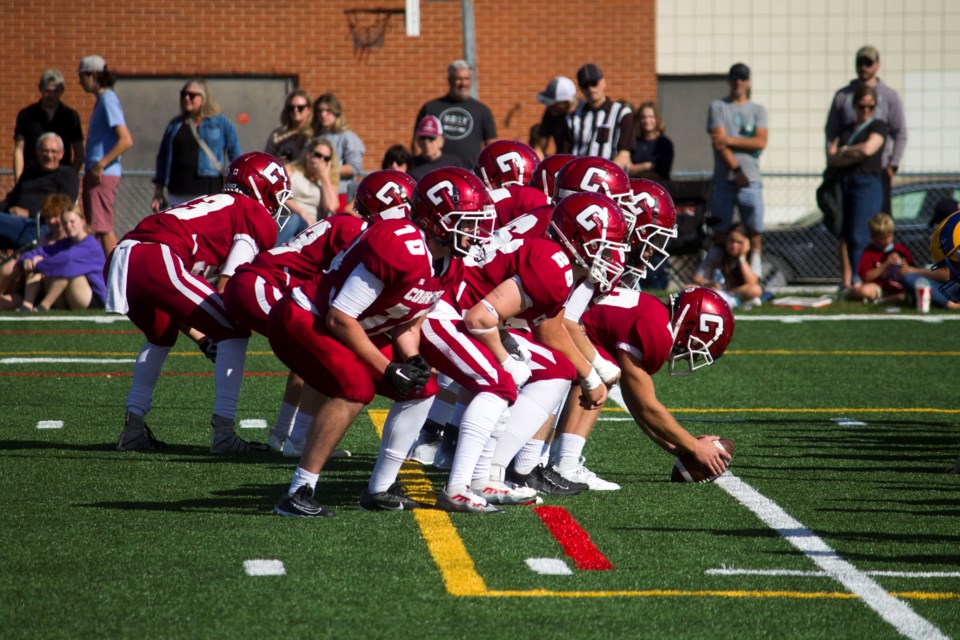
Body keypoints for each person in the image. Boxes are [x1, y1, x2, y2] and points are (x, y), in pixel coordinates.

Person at [268, 175, 451, 518]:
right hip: (304, 316)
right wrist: (387, 368)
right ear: (435, 220)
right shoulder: (400, 245)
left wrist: (412, 358)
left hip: (345, 326)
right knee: (355, 386)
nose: (477, 231)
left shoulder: (448, 263)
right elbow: (340, 317)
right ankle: (298, 491)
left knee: (423, 386)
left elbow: (406, 319)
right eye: (466, 222)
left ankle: (380, 488)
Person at [106, 152, 288, 453]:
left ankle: (133, 428)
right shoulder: (251, 213)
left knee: (161, 335)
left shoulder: (218, 203)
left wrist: (203, 337)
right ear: (261, 188)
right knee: (234, 327)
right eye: (275, 194)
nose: (277, 204)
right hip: (157, 256)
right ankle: (225, 435)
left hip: (123, 257)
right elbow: (229, 284)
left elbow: (178, 299)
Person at [547, 286, 735, 489]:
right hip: (557, 331)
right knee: (602, 374)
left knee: (603, 372)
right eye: (697, 348)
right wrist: (695, 446)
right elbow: (647, 407)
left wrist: (680, 448)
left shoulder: (655, 312)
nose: (693, 356)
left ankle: (564, 462)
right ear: (688, 326)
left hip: (563, 326)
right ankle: (565, 464)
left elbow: (636, 405)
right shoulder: (657, 331)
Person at [826, 45, 907, 214]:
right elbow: (831, 131)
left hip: (877, 170)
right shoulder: (843, 96)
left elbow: (900, 132)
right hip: (847, 170)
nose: (864, 67)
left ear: (877, 65)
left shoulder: (889, 96)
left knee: (878, 223)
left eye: (868, 63)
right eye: (860, 62)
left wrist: (893, 165)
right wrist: (833, 157)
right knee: (845, 225)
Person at [707, 63, 768, 278]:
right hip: (726, 179)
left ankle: (755, 273)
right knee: (721, 230)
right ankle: (715, 275)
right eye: (734, 77)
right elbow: (718, 143)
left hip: (751, 179)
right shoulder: (718, 107)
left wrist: (730, 140)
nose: (738, 82)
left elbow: (760, 141)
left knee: (755, 229)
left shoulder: (758, 110)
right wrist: (737, 169)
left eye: (742, 78)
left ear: (749, 81)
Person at [827, 84, 888, 290]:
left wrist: (846, 151)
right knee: (846, 233)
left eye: (870, 107)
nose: (865, 110)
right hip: (846, 183)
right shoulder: (846, 131)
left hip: (867, 183)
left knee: (860, 234)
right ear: (855, 106)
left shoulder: (878, 125)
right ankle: (849, 280)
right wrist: (852, 154)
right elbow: (833, 159)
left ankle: (860, 278)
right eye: (862, 106)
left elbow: (869, 149)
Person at [152, 79, 242, 212]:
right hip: (178, 192)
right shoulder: (175, 124)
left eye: (192, 95)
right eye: (184, 95)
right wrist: (158, 191)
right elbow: (163, 158)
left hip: (209, 191)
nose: (187, 98)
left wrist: (237, 187)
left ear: (204, 98)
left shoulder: (221, 122)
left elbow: (236, 156)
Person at [78, 55, 133, 257]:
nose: (79, 82)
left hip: (102, 174)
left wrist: (101, 164)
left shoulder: (108, 99)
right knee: (97, 229)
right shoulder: (103, 100)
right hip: (99, 173)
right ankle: (105, 275)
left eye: (82, 76)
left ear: (93, 75)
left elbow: (125, 139)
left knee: (103, 229)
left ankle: (117, 274)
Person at [18, 205, 106, 312]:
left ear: (83, 221)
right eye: (64, 223)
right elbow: (34, 253)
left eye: (72, 222)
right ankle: (27, 306)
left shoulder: (91, 245)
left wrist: (37, 264)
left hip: (94, 300)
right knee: (38, 265)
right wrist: (28, 260)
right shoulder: (66, 243)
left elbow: (66, 260)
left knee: (66, 270)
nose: (68, 226)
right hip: (70, 296)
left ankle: (44, 306)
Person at [0, 133, 79, 251]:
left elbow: (64, 206)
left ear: (61, 154)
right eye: (45, 151)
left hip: (40, 225)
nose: (49, 155)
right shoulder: (30, 172)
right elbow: (12, 198)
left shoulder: (67, 174)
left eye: (54, 151)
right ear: (37, 152)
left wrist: (29, 213)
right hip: (14, 222)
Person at [412, 60, 497, 168]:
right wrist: (419, 168)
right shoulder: (431, 107)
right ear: (450, 80)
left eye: (466, 79)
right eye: (458, 79)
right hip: (436, 174)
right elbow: (416, 143)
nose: (463, 83)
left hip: (470, 175)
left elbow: (491, 147)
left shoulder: (482, 110)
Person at [0, 193, 72, 310]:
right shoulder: (44, 237)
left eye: (55, 216)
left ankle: (29, 305)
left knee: (36, 269)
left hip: (54, 284)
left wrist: (41, 262)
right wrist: (27, 259)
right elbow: (31, 255)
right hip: (32, 284)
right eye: (48, 217)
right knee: (10, 266)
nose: (52, 221)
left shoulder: (70, 238)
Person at [13, 69, 84, 181]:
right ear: (40, 88)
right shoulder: (26, 115)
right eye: (47, 91)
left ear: (62, 91)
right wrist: (18, 180)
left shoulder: (70, 117)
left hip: (60, 177)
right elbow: (19, 149)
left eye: (55, 91)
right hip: (32, 177)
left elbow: (79, 152)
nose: (51, 95)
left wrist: (71, 177)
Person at [559, 64, 635, 167]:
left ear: (603, 82)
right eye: (585, 85)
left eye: (594, 83)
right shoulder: (572, 118)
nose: (590, 89)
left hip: (611, 178)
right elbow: (564, 155)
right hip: (577, 178)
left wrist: (603, 175)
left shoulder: (622, 114)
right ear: (580, 88)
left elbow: (624, 154)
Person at [276, 137, 340, 245]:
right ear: (308, 154)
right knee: (294, 221)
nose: (321, 160)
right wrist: (302, 212)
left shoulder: (328, 181)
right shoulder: (291, 170)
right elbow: (279, 192)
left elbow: (331, 207)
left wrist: (324, 176)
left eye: (326, 158)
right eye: (318, 155)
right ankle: (268, 253)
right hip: (287, 219)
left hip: (310, 227)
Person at [311, 94, 365, 212]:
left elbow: (355, 168)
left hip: (340, 195)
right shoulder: (314, 138)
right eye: (320, 111)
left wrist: (325, 170)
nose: (323, 114)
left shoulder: (348, 137)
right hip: (314, 195)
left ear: (336, 112)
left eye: (328, 110)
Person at [691, 224, 764, 308]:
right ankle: (723, 298)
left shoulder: (753, 255)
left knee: (755, 290)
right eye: (731, 241)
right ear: (726, 240)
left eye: (739, 242)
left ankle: (726, 297)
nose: (734, 246)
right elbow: (696, 277)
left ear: (747, 243)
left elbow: (752, 283)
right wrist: (707, 283)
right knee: (688, 288)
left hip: (736, 292)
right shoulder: (717, 252)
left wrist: (742, 257)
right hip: (715, 291)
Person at [531, 76, 579, 159]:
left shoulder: (584, 112)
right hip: (561, 163)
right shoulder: (550, 114)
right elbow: (540, 147)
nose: (550, 106)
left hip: (583, 163)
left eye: (554, 103)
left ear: (565, 102)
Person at [408, 116, 466, 180]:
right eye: (423, 138)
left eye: (431, 138)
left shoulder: (454, 164)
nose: (426, 142)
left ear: (441, 141)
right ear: (418, 141)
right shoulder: (411, 164)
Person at [627, 101, 673, 181]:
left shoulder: (664, 143)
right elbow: (627, 170)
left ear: (657, 119)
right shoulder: (633, 142)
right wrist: (647, 166)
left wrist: (637, 170)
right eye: (643, 117)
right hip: (634, 187)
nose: (647, 121)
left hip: (658, 187)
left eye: (651, 117)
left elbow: (662, 172)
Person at [265, 89, 313, 164]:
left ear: (309, 110)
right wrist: (277, 161)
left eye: (300, 107)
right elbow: (266, 159)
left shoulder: (314, 134)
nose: (295, 110)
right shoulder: (278, 134)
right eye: (291, 107)